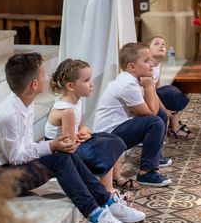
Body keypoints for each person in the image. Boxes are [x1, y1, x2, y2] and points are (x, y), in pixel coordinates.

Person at [0, 53, 145, 223]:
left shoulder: (24, 104)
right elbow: (16, 157)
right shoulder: (7, 115)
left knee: (61, 153)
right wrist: (51, 145)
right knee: (59, 156)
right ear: (34, 85)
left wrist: (52, 146)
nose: (47, 77)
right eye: (42, 74)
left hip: (9, 169)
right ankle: (96, 217)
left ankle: (106, 201)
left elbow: (26, 148)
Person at [45, 58, 136, 194]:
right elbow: (69, 144)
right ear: (71, 86)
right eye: (86, 80)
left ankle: (113, 180)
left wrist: (85, 132)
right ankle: (107, 189)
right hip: (61, 152)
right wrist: (84, 138)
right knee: (107, 146)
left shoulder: (76, 101)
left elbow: (82, 127)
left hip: (72, 144)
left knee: (113, 139)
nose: (91, 84)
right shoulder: (67, 110)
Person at [93, 43, 172, 187]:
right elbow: (151, 113)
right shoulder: (127, 85)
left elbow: (154, 109)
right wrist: (149, 86)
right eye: (146, 61)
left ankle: (154, 158)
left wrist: (150, 85)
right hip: (106, 138)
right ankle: (146, 173)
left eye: (150, 60)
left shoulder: (132, 80)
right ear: (132, 67)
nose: (151, 64)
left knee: (160, 115)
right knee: (155, 122)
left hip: (116, 132)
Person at [147, 35, 192, 139]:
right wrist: (164, 110)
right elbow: (150, 92)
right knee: (170, 91)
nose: (161, 46)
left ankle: (174, 126)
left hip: (152, 95)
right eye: (157, 43)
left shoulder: (158, 64)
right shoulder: (147, 65)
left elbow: (157, 88)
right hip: (145, 97)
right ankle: (175, 128)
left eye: (163, 44)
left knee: (170, 91)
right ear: (148, 49)